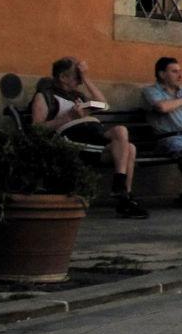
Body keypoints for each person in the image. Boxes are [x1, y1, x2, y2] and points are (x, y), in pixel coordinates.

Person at [31, 57, 145, 217]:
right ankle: (125, 198)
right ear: (63, 77)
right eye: (77, 76)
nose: (79, 81)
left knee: (121, 130)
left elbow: (103, 105)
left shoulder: (78, 96)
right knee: (130, 149)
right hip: (73, 139)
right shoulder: (45, 96)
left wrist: (86, 78)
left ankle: (119, 185)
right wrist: (68, 117)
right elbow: (36, 128)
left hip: (94, 134)